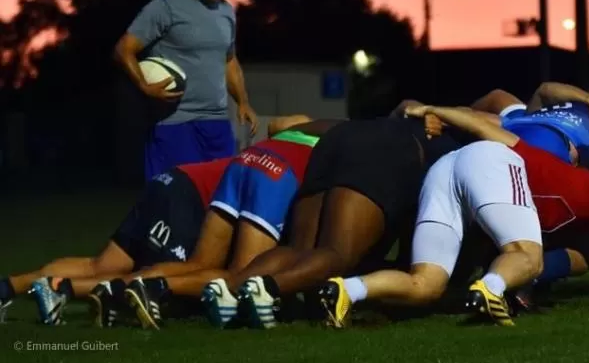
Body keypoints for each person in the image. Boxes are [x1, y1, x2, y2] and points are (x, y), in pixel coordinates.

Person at [318, 105, 589, 329]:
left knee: (426, 284)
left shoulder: (541, 156)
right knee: (529, 257)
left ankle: (347, 290)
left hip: (446, 168)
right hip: (490, 163)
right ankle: (491, 289)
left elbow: (482, 125)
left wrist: (432, 109)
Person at [201, 117, 461, 330]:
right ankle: (268, 290)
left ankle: (231, 289)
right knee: (338, 253)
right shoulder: (465, 148)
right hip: (389, 150)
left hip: (338, 136)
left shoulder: (424, 116)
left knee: (299, 248)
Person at [110, 123, 329, 329]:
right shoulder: (353, 139)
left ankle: (116, 288)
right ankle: (156, 288)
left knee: (201, 262)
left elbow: (277, 125)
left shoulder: (320, 124)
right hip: (276, 175)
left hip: (245, 160)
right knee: (241, 275)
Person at [1, 158, 230, 326]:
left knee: (100, 265)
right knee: (178, 279)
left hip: (169, 181)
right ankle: (61, 289)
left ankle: (7, 288)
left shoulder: (257, 153)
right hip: (188, 196)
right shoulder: (264, 172)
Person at [113, 0, 258, 181]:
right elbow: (123, 50)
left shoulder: (226, 12)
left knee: (217, 209)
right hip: (175, 125)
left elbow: (229, 60)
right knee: (173, 209)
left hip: (217, 125)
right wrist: (144, 86)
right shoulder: (165, 7)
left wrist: (243, 101)